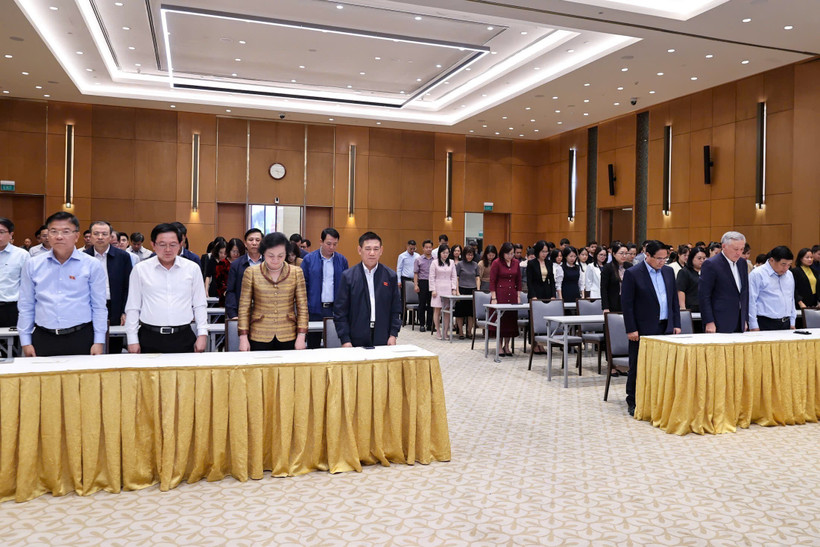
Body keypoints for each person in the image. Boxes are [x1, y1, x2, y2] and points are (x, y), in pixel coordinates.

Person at [18, 212, 107, 357]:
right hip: (43, 337)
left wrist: (99, 341)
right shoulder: (33, 264)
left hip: (81, 336)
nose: (59, 236)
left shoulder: (92, 265)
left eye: (66, 232)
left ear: (76, 236)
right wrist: (26, 341)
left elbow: (98, 306)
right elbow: (26, 305)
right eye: (53, 231)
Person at [125, 223, 208, 354]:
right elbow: (133, 306)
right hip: (149, 337)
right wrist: (132, 339)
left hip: (183, 336)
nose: (168, 249)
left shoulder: (192, 269)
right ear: (153, 245)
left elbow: (199, 304)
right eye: (162, 244)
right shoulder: (140, 269)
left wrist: (202, 334)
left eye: (173, 244)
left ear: (181, 244)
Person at [621, 240, 681, 416]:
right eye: (659, 258)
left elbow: (673, 301)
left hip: (665, 326)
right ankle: (633, 400)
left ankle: (657, 398)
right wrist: (631, 328)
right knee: (638, 365)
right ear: (647, 255)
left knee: (663, 365)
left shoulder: (669, 272)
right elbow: (627, 304)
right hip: (642, 327)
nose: (662, 262)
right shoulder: (633, 274)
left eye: (665, 258)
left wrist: (676, 323)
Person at [237, 232, 308, 351]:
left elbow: (302, 306)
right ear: (263, 252)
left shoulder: (296, 272)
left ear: (286, 253)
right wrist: (243, 337)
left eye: (280, 256)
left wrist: (301, 335)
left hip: (288, 332)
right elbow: (244, 307)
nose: (275, 260)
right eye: (271, 256)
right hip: (259, 333)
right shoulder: (252, 272)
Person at [333, 231, 402, 347]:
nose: (372, 253)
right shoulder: (348, 276)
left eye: (376, 249)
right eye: (368, 249)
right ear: (360, 250)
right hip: (355, 336)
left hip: (383, 336)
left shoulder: (390, 276)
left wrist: (393, 334)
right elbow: (340, 312)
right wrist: (345, 339)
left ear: (381, 250)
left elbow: (396, 309)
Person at [84, 221, 133, 354]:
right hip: (89, 307)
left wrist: (125, 311)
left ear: (111, 236)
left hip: (114, 306)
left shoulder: (123, 256)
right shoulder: (83, 257)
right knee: (90, 342)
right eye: (96, 234)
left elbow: (128, 286)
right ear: (90, 236)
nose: (100, 237)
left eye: (104, 234)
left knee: (114, 345)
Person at [301, 228, 349, 349]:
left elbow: (346, 286)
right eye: (328, 243)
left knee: (334, 343)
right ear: (321, 242)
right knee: (313, 344)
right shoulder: (308, 259)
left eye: (335, 244)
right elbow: (302, 285)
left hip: (334, 309)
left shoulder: (342, 260)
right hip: (314, 308)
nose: (331, 247)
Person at [698, 231, 749, 334]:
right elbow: (704, 296)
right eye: (735, 249)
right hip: (719, 321)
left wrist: (745, 318)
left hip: (739, 320)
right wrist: (709, 321)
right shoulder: (711, 264)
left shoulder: (742, 263)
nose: (739, 253)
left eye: (742, 249)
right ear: (724, 246)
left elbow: (744, 292)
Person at [748, 246, 796, 331]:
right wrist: (753, 325)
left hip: (786, 323)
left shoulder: (789, 275)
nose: (786, 268)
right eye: (783, 264)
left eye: (789, 265)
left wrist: (792, 322)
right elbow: (751, 301)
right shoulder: (757, 274)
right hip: (765, 323)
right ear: (772, 260)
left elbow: (791, 299)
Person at [489, 242, 522, 357]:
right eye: (508, 253)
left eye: (512, 254)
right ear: (503, 253)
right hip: (500, 294)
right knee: (501, 322)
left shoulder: (516, 263)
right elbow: (492, 281)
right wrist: (494, 297)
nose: (510, 256)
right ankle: (499, 346)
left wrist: (518, 296)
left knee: (510, 321)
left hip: (512, 294)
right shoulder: (496, 263)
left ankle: (507, 346)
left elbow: (518, 280)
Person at [0, 218, 30, 337]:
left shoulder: (22, 255)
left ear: (11, 234)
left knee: (12, 345)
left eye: (1, 232)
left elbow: (27, 285)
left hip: (11, 308)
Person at [225, 228, 264, 320]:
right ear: (245, 243)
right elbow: (231, 291)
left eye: (257, 240)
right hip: (243, 313)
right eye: (251, 240)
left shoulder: (269, 263)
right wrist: (233, 314)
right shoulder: (236, 265)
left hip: (265, 314)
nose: (254, 243)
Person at [429, 244, 458, 339]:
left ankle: (445, 331)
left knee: (447, 311)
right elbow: (431, 277)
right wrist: (433, 289)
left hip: (448, 289)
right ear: (439, 253)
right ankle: (438, 331)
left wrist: (454, 289)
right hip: (437, 289)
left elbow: (454, 277)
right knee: (437, 310)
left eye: (447, 253)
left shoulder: (452, 262)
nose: (445, 255)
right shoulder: (434, 263)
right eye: (443, 253)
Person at [455, 245, 480, 339]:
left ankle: (469, 332)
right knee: (460, 312)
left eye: (471, 255)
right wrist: (457, 291)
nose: (470, 256)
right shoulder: (460, 264)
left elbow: (477, 278)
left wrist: (477, 290)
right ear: (464, 254)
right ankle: (461, 332)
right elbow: (456, 279)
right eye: (468, 254)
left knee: (471, 313)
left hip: (472, 289)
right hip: (462, 289)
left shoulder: (475, 265)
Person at [600, 242, 632, 313]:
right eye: (621, 253)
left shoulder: (629, 266)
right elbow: (604, 289)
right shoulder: (608, 268)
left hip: (627, 301)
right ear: (614, 254)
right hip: (613, 302)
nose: (624, 256)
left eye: (626, 253)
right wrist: (605, 307)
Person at [213, 238, 245, 306]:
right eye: (234, 251)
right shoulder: (222, 263)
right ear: (229, 250)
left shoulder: (243, 263)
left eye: (238, 251)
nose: (236, 254)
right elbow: (219, 281)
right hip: (227, 297)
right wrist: (225, 292)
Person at [676, 246, 707, 312]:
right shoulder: (684, 272)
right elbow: (681, 291)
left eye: (704, 258)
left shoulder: (707, 272)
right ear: (692, 258)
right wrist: (682, 308)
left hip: (704, 306)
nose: (702, 260)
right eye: (699, 258)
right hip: (690, 307)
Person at [413, 239, 435, 332]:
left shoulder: (435, 259)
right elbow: (415, 273)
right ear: (423, 248)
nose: (428, 249)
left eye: (430, 247)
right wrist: (416, 285)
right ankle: (422, 324)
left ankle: (429, 324)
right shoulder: (419, 259)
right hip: (422, 282)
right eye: (427, 247)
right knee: (422, 304)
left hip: (432, 282)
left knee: (431, 304)